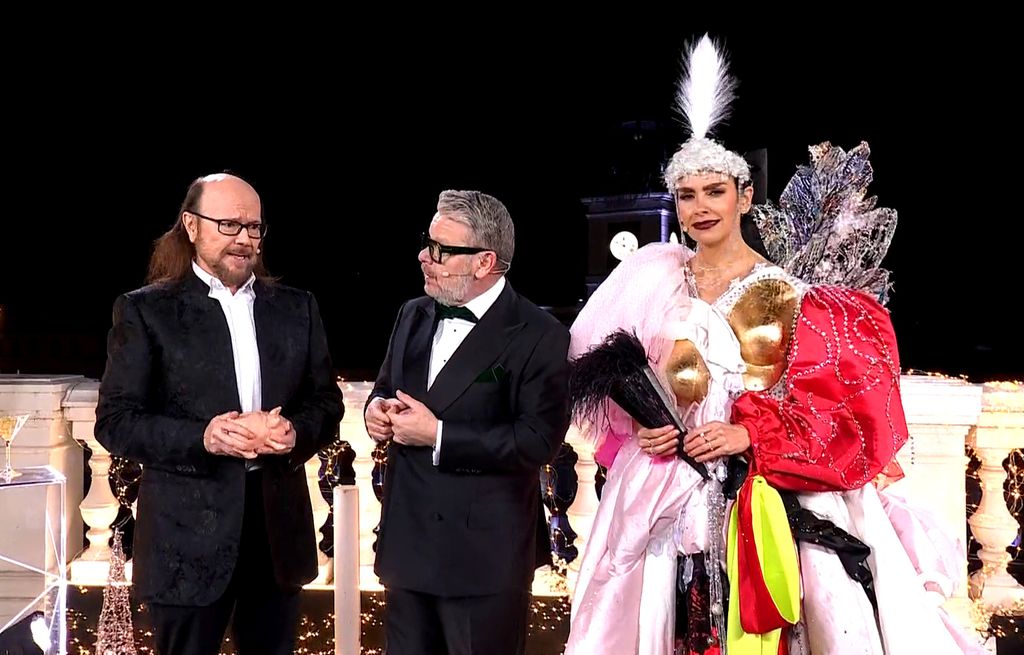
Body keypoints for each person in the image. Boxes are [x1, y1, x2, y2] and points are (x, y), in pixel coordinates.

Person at [564, 35, 984, 654]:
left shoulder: (795, 295)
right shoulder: (655, 280)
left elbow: (829, 412)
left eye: (715, 192)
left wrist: (747, 436)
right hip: (662, 487)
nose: (700, 208)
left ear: (745, 197)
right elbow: (623, 381)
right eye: (687, 195)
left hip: (764, 487)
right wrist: (646, 431)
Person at [94, 172, 344, 655]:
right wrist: (203, 438)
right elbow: (115, 421)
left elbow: (326, 403)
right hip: (183, 545)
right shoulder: (146, 311)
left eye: (254, 227)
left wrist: (295, 432)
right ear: (191, 226)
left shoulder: (297, 307)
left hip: (277, 538)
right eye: (229, 225)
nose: (244, 239)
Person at [364, 189, 571, 655]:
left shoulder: (540, 335)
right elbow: (385, 387)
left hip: (484, 562)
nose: (424, 257)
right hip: (407, 549)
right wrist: (376, 411)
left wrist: (438, 435)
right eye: (427, 243)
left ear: (484, 262)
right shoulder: (412, 313)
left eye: (440, 250)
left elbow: (537, 441)